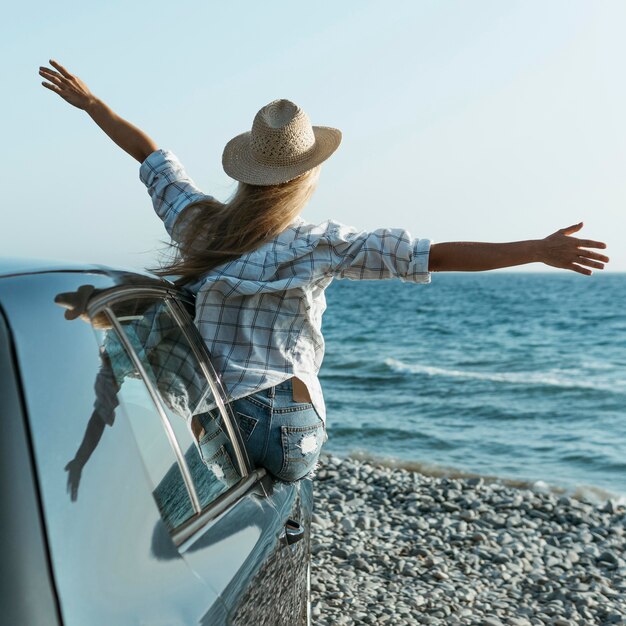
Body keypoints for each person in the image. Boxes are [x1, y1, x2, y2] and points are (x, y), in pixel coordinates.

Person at [39, 59, 610, 483]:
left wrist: (93, 106)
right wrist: (536, 248)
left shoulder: (199, 226)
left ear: (246, 173)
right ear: (305, 176)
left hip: (217, 418)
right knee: (286, 498)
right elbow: (435, 255)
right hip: (288, 427)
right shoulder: (324, 243)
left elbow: (153, 158)